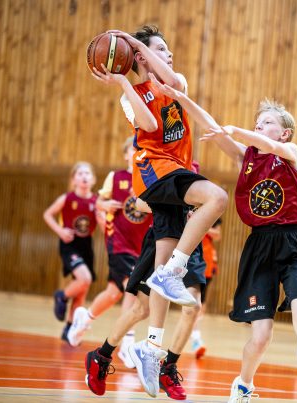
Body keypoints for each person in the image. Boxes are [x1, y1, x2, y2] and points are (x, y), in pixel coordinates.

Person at [151, 83, 297, 402]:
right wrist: (181, 98)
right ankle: (244, 384)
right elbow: (213, 127)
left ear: (285, 133)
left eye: (267, 122)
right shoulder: (246, 158)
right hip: (259, 247)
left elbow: (259, 141)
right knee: (261, 336)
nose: (259, 126)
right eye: (257, 122)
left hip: (292, 243)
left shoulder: (291, 152)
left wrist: (237, 130)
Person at [84, 24, 227, 398]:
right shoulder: (132, 95)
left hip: (175, 175)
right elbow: (148, 124)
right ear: (142, 57)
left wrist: (135, 44)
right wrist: (124, 82)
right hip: (154, 171)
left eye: (168, 49)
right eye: (161, 49)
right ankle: (170, 279)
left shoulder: (176, 83)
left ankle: (142, 350)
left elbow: (174, 81)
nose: (170, 54)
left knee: (159, 279)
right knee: (217, 198)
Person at [66, 137, 153, 369]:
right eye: (133, 149)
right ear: (125, 155)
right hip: (119, 243)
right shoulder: (116, 177)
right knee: (132, 288)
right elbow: (98, 201)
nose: (137, 152)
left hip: (142, 246)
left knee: (114, 292)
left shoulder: (150, 179)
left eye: (141, 149)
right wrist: (102, 206)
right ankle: (127, 342)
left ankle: (85, 318)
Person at [43, 161, 98, 342]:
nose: (84, 176)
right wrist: (60, 231)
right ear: (73, 180)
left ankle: (69, 328)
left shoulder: (96, 201)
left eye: (87, 173)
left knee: (82, 289)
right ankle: (61, 296)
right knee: (85, 279)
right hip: (70, 243)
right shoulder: (66, 198)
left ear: (93, 179)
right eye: (80, 174)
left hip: (86, 245)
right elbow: (47, 214)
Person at [190, 217, 222, 359]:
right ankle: (195, 338)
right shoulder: (188, 210)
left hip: (207, 263)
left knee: (200, 304)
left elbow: (218, 235)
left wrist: (203, 226)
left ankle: (196, 338)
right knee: (192, 304)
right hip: (189, 261)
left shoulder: (214, 214)